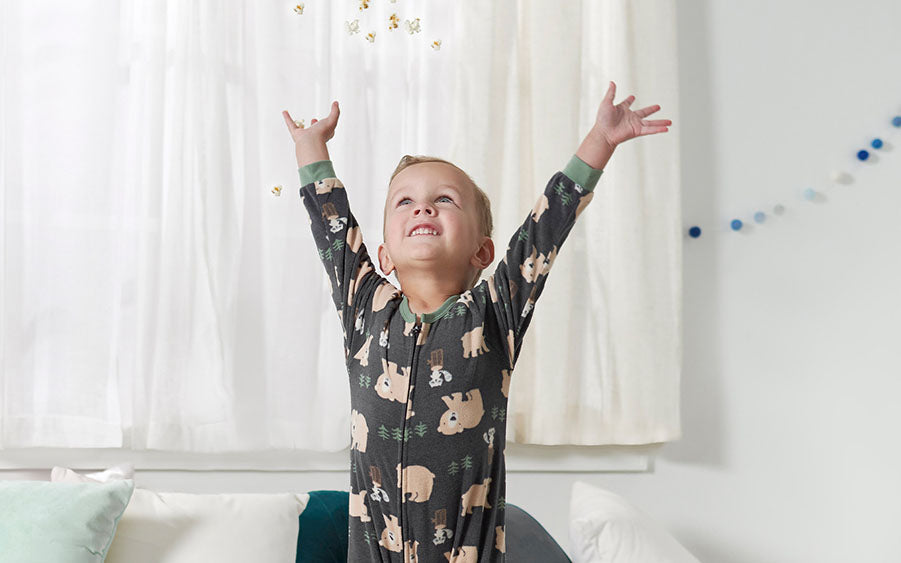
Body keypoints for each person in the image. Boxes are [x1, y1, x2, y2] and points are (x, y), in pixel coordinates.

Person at [282, 81, 670, 562]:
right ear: (382, 254)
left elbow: (544, 230)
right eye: (404, 201)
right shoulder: (366, 309)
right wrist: (311, 146)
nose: (423, 206)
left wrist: (599, 142)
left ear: (482, 251)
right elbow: (333, 227)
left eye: (445, 200)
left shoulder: (493, 313)